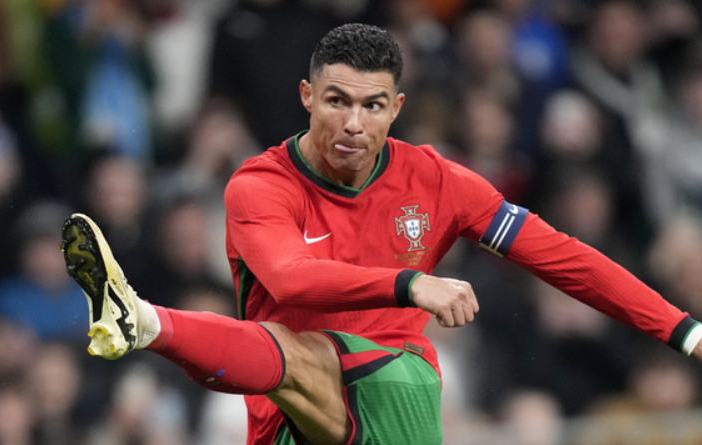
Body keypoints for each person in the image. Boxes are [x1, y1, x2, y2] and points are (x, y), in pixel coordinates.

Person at [61, 23, 702, 445]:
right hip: (289, 412)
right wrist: (410, 284)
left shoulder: (440, 182)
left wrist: (684, 330)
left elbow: (565, 259)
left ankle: (144, 321)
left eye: (372, 106)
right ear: (307, 96)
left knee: (311, 352)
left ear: (395, 108)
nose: (353, 123)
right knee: (292, 349)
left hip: (395, 388)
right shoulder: (259, 186)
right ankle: (142, 321)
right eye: (337, 100)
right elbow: (288, 278)